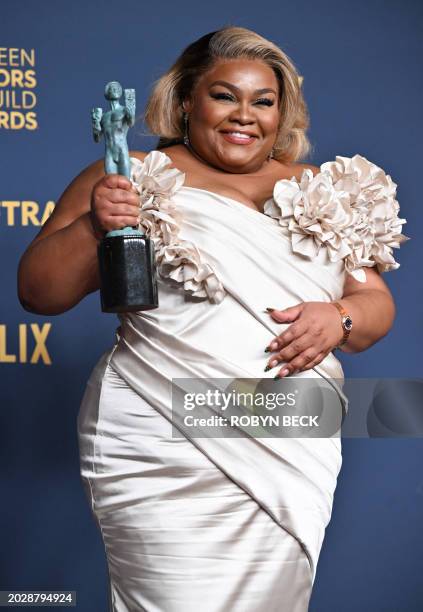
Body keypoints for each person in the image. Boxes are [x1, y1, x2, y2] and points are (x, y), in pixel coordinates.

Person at [17, 26, 408, 612]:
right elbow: (38, 293)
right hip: (157, 439)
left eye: (263, 101)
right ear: (184, 103)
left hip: (289, 436)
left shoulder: (325, 190)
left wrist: (343, 317)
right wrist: (96, 227)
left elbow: (376, 307)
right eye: (224, 96)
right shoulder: (132, 175)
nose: (243, 115)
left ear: (282, 113)